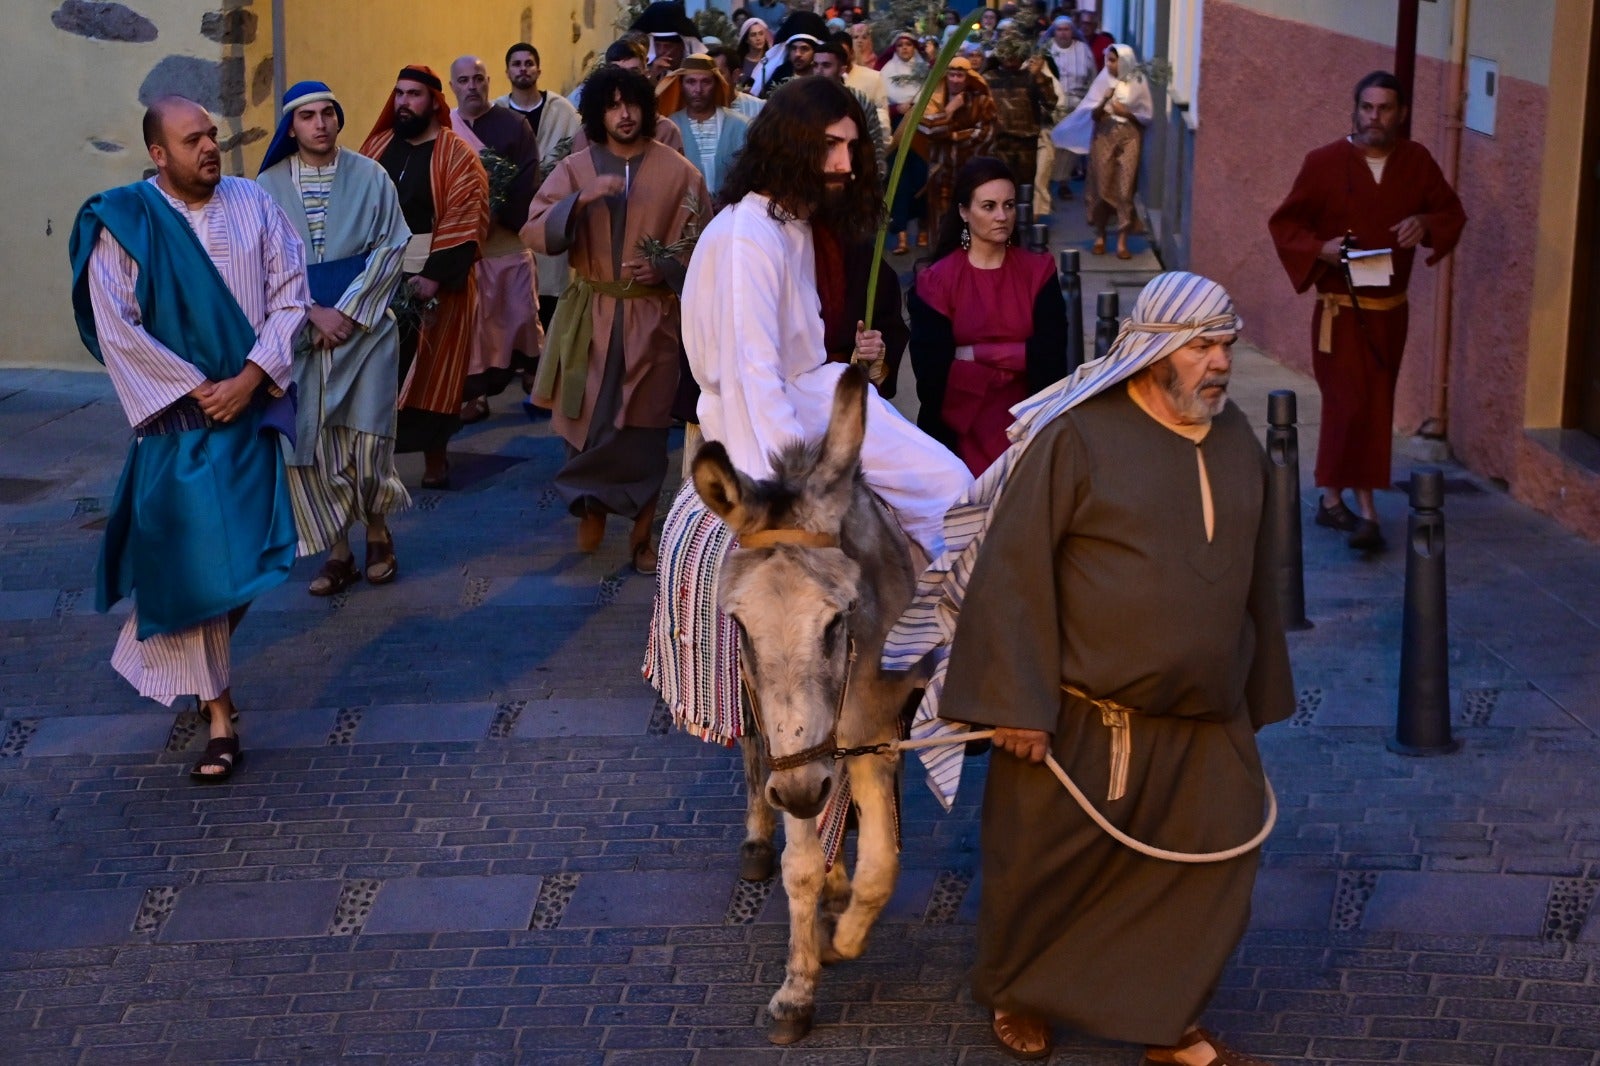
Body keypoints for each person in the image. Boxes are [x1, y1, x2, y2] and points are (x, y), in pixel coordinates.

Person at [888, 272, 1292, 1065]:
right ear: (1153, 353)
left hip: (1204, 715)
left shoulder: (1237, 435)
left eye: (1226, 345)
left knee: (1210, 865)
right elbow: (1014, 571)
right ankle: (1022, 991)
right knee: (1046, 868)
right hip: (1080, 714)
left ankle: (1166, 1018)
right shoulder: (1079, 439)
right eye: (1201, 346)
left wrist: (1252, 684)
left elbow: (1256, 575)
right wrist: (1015, 702)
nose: (1219, 363)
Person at [68, 96, 309, 781]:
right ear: (158, 153)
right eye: (192, 138)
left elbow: (291, 292)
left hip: (249, 413)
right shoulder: (125, 220)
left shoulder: (254, 203)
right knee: (199, 566)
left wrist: (253, 375)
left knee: (255, 563)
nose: (210, 146)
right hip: (179, 425)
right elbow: (117, 326)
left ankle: (178, 658)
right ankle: (221, 717)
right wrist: (196, 390)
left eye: (212, 134)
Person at [684, 75, 971, 558]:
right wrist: (794, 489)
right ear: (791, 146)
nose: (845, 165)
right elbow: (751, 376)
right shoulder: (746, 237)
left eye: (851, 148)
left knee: (955, 491)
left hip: (816, 394)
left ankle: (939, 617)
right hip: (757, 417)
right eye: (829, 146)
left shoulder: (792, 222)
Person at [1268, 70, 1466, 551]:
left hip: (1389, 314)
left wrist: (1423, 222)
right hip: (1339, 314)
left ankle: (1333, 499)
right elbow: (1285, 223)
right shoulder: (1324, 163)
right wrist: (1321, 250)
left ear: (1401, 114)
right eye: (1367, 107)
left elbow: (1451, 214)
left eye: (1385, 109)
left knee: (1372, 407)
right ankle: (1368, 510)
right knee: (1348, 404)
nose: (1375, 117)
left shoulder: (1416, 162)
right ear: (1355, 109)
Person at [523, 65, 708, 573]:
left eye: (632, 104)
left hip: (651, 320)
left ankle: (643, 535)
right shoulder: (575, 168)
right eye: (612, 105)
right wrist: (581, 199)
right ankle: (589, 502)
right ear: (598, 112)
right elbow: (535, 229)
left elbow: (705, 245)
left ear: (647, 108)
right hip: (590, 315)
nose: (624, 115)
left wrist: (665, 266)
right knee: (588, 421)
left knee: (644, 430)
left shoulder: (680, 173)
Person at [258, 81, 412, 597]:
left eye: (328, 113)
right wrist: (312, 315)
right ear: (292, 127)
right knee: (314, 446)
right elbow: (259, 266)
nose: (320, 123)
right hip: (300, 337)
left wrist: (346, 312)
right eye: (308, 116)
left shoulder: (372, 176)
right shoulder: (266, 187)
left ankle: (378, 530)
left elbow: (393, 246)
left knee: (368, 443)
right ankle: (338, 550)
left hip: (365, 334)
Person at [358, 65, 490, 489]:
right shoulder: (377, 146)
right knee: (379, 371)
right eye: (398, 94)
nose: (403, 103)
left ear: (434, 100)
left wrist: (433, 275)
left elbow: (467, 214)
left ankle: (436, 459)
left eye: (413, 94)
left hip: (436, 276)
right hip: (380, 275)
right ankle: (377, 462)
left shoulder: (456, 155)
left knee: (435, 372)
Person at [909, 156, 1068, 475]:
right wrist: (1021, 356)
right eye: (989, 206)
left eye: (1009, 205)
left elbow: (1052, 360)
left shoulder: (1038, 272)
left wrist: (976, 355)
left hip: (1027, 427)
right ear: (964, 212)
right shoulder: (937, 281)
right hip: (958, 432)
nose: (1001, 216)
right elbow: (931, 378)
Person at [448, 55, 544, 423]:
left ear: (489, 82)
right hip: (467, 249)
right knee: (475, 329)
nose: (471, 86)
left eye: (478, 78)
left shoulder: (513, 126)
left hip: (507, 243)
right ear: (453, 86)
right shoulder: (445, 129)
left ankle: (536, 377)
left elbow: (526, 179)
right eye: (463, 80)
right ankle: (476, 396)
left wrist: (494, 215)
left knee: (521, 315)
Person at [497, 43, 584, 335]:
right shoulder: (497, 111)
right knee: (514, 291)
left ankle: (546, 359)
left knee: (551, 290)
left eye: (529, 63)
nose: (523, 68)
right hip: (510, 218)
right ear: (507, 70)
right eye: (517, 63)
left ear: (538, 68)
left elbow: (577, 156)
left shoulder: (563, 111)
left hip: (553, 211)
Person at [1081, 44, 1152, 260]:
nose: (1110, 64)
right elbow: (1092, 114)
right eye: (1108, 60)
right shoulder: (1103, 80)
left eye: (1114, 60)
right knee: (1102, 185)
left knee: (1125, 187)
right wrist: (1104, 100)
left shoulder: (1138, 81)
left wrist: (1127, 113)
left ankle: (1122, 239)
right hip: (1104, 134)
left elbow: (1147, 114)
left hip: (1129, 136)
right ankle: (1100, 235)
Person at [919, 56, 997, 242]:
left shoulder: (982, 101)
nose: (955, 80)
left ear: (968, 77)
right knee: (941, 222)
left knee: (971, 220)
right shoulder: (932, 99)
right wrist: (950, 110)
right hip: (941, 171)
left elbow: (984, 135)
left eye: (959, 76)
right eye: (951, 75)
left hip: (970, 172)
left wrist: (950, 136)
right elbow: (926, 128)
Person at [657, 53, 751, 198]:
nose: (698, 90)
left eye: (706, 82)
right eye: (691, 82)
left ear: (716, 84)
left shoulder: (741, 125)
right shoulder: (669, 127)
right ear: (681, 85)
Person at [983, 31, 1060, 202]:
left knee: (1024, 192)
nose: (1011, 57)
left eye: (1015, 53)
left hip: (1026, 144)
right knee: (998, 190)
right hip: (998, 143)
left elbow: (1050, 102)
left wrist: (1039, 76)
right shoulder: (988, 78)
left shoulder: (1032, 77)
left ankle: (1021, 226)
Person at [572, 39, 687, 153]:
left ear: (646, 73)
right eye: (617, 72)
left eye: (634, 72)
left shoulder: (665, 131)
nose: (626, 81)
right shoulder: (588, 134)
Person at [880, 30, 930, 256]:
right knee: (897, 180)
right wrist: (894, 108)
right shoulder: (886, 71)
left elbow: (933, 96)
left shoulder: (923, 71)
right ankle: (900, 236)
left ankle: (922, 227)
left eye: (908, 45)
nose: (904, 49)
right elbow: (878, 103)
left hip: (920, 129)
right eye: (900, 45)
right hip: (896, 128)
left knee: (921, 177)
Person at [812, 37, 887, 180]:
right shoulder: (802, 100)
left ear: (842, 70)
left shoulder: (859, 100)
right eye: (815, 65)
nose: (819, 71)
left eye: (826, 65)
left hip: (850, 176)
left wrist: (874, 179)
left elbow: (874, 143)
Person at [1044, 15, 1094, 198]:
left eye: (1067, 29)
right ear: (1054, 32)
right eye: (1060, 29)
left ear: (1072, 31)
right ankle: (1045, 184)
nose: (1063, 33)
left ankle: (1064, 182)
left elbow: (1092, 77)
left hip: (1076, 104)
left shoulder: (1082, 49)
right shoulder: (1046, 49)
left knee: (1068, 147)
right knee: (1050, 145)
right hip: (1051, 105)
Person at [632, 1, 703, 82]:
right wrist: (653, 75)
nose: (662, 51)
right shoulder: (645, 71)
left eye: (668, 46)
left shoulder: (699, 74)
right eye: (658, 46)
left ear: (682, 46)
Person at [705, 43, 767, 118]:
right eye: (708, 74)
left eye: (719, 73)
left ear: (735, 75)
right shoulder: (697, 110)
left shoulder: (758, 108)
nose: (712, 79)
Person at [735, 16, 772, 87]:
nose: (758, 38)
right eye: (753, 35)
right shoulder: (739, 61)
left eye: (761, 34)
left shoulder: (771, 59)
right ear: (746, 39)